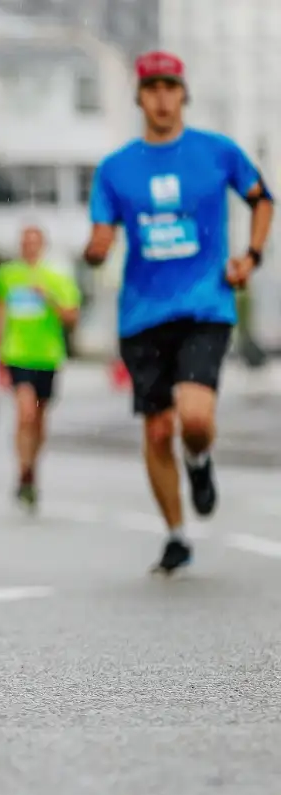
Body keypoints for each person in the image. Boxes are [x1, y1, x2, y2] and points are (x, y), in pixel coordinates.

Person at [85, 51, 274, 574]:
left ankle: (198, 457)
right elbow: (101, 233)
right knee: (155, 430)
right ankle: (175, 535)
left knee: (193, 418)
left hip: (204, 305)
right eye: (152, 89)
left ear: (183, 94)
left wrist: (251, 257)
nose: (162, 98)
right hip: (141, 315)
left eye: (170, 87)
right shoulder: (115, 169)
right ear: (139, 97)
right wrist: (97, 248)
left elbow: (262, 199)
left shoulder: (217, 152)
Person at [0, 226, 80, 511]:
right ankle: (23, 469)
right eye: (25, 242)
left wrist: (49, 298)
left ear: (42, 245)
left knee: (38, 419)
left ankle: (31, 469)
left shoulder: (57, 277)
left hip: (47, 356)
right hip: (17, 354)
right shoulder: (7, 275)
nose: (29, 247)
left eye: (34, 242)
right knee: (25, 412)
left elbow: (72, 317)